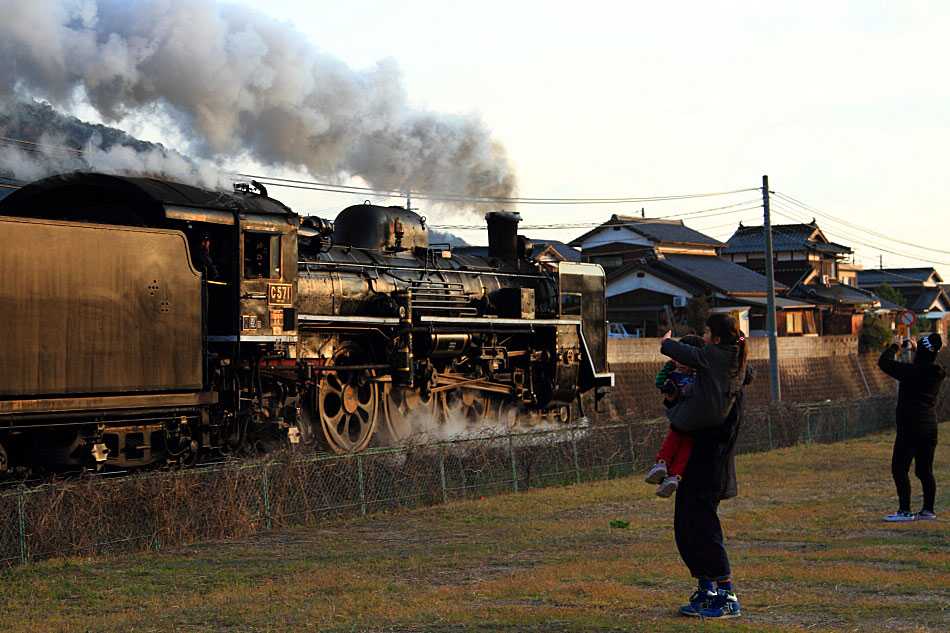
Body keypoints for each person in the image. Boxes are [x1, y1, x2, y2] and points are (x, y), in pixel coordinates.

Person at [659, 313, 755, 619]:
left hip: (710, 465)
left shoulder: (729, 385)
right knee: (686, 530)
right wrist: (676, 401)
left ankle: (727, 596)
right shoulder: (707, 380)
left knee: (705, 530)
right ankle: (706, 590)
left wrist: (688, 424)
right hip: (691, 468)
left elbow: (723, 431)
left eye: (707, 332)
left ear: (717, 340)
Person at [878, 332, 944, 522]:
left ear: (921, 352)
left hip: (910, 426)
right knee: (925, 470)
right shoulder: (939, 372)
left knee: (900, 468)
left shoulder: (910, 372)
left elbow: (884, 362)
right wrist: (920, 352)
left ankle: (905, 510)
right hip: (931, 425)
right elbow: (927, 362)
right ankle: (928, 510)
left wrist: (894, 346)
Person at [645, 334, 705, 497]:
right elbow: (659, 383)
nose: (680, 364)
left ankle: (662, 464)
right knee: (685, 445)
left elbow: (659, 382)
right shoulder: (688, 376)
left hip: (683, 418)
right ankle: (673, 476)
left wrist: (670, 366)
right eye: (677, 359)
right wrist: (670, 366)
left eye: (684, 360)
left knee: (675, 439)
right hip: (693, 421)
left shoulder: (699, 376)